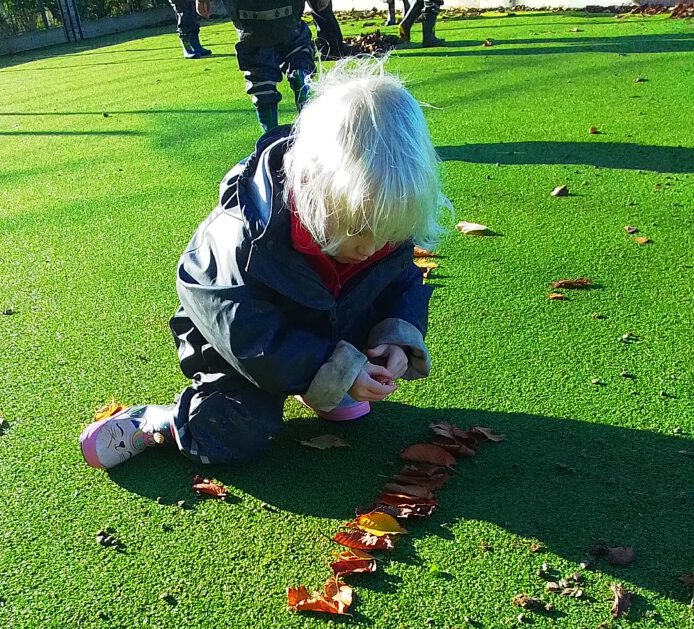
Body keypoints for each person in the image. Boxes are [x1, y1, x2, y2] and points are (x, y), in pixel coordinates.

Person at [80, 59, 449, 472]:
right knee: (236, 429)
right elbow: (246, 335)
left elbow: (401, 281)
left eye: (387, 233)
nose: (371, 247)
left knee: (348, 375)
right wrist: (333, 368)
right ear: (312, 185)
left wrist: (396, 341)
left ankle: (321, 381)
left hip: (322, 330)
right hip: (238, 348)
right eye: (358, 228)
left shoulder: (378, 227)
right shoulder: (241, 233)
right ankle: (158, 423)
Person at [196, 0, 315, 134]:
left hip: (250, 17)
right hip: (288, 12)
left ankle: (271, 137)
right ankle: (302, 80)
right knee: (298, 52)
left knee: (260, 75)